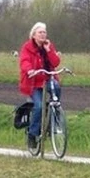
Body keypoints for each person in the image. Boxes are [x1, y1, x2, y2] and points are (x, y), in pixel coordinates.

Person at [18, 22, 61, 151]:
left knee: (57, 88)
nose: (43, 34)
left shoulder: (48, 46)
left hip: (47, 78)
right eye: (40, 32)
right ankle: (33, 134)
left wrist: (49, 51)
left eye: (44, 32)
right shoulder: (27, 47)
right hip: (33, 82)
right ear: (34, 35)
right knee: (38, 106)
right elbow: (24, 61)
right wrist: (29, 70)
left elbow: (56, 62)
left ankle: (55, 115)